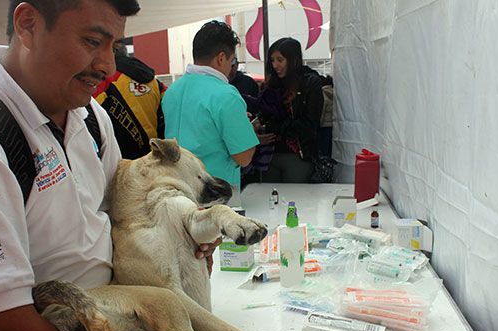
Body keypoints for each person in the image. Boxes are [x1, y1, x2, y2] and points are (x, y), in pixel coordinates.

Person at [0, 1, 217, 331]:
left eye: (112, 46)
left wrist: (182, 234)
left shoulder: (90, 117)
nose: (108, 66)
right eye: (92, 41)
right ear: (28, 24)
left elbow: (127, 214)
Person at [162, 21, 259, 201]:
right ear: (221, 58)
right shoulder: (225, 94)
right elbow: (244, 157)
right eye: (232, 61)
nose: (232, 67)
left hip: (177, 191)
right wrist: (247, 127)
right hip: (215, 194)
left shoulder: (172, 91)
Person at [257, 37, 326, 183]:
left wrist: (272, 127)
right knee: (269, 202)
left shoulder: (310, 82)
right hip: (269, 156)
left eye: (280, 60)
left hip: (298, 157)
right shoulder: (271, 85)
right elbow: (264, 114)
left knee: (294, 203)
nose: (275, 65)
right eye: (272, 60)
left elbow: (310, 124)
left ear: (293, 59)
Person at [93, 44, 167, 159]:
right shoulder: (154, 81)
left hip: (124, 160)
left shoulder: (106, 81)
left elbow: (89, 116)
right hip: (155, 153)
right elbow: (169, 106)